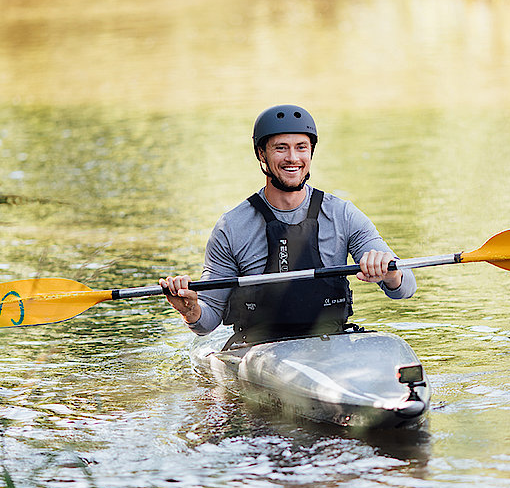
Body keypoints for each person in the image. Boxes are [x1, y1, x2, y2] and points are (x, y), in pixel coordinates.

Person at [159, 104, 416, 344]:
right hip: (258, 347)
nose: (293, 157)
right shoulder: (232, 227)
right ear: (262, 153)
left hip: (331, 342)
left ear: (311, 152)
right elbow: (208, 320)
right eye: (281, 147)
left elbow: (405, 289)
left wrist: (390, 273)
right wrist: (190, 309)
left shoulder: (343, 214)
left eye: (301, 147)